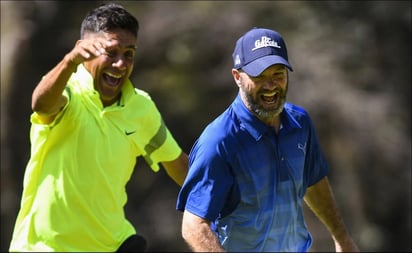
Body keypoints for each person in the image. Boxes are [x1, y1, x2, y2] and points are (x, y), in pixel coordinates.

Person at [9, 3, 188, 252]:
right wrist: (69, 61)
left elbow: (179, 166)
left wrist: (230, 203)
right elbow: (41, 105)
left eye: (129, 54)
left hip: (112, 245)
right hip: (43, 247)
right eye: (111, 52)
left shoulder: (141, 108)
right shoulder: (68, 91)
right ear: (86, 50)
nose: (120, 63)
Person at [176, 27, 359, 252]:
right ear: (237, 77)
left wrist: (342, 239)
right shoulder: (219, 142)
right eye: (259, 76)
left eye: (278, 74)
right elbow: (194, 225)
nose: (270, 85)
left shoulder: (300, 123)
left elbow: (314, 182)